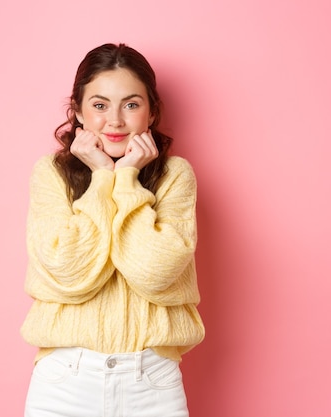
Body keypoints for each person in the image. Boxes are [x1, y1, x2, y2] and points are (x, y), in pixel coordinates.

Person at [21, 43, 205, 417]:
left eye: (132, 104)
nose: (116, 121)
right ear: (78, 111)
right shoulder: (51, 174)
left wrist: (127, 178)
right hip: (63, 383)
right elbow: (68, 270)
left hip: (151, 383)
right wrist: (102, 176)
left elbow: (155, 273)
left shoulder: (175, 176)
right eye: (100, 105)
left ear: (151, 112)